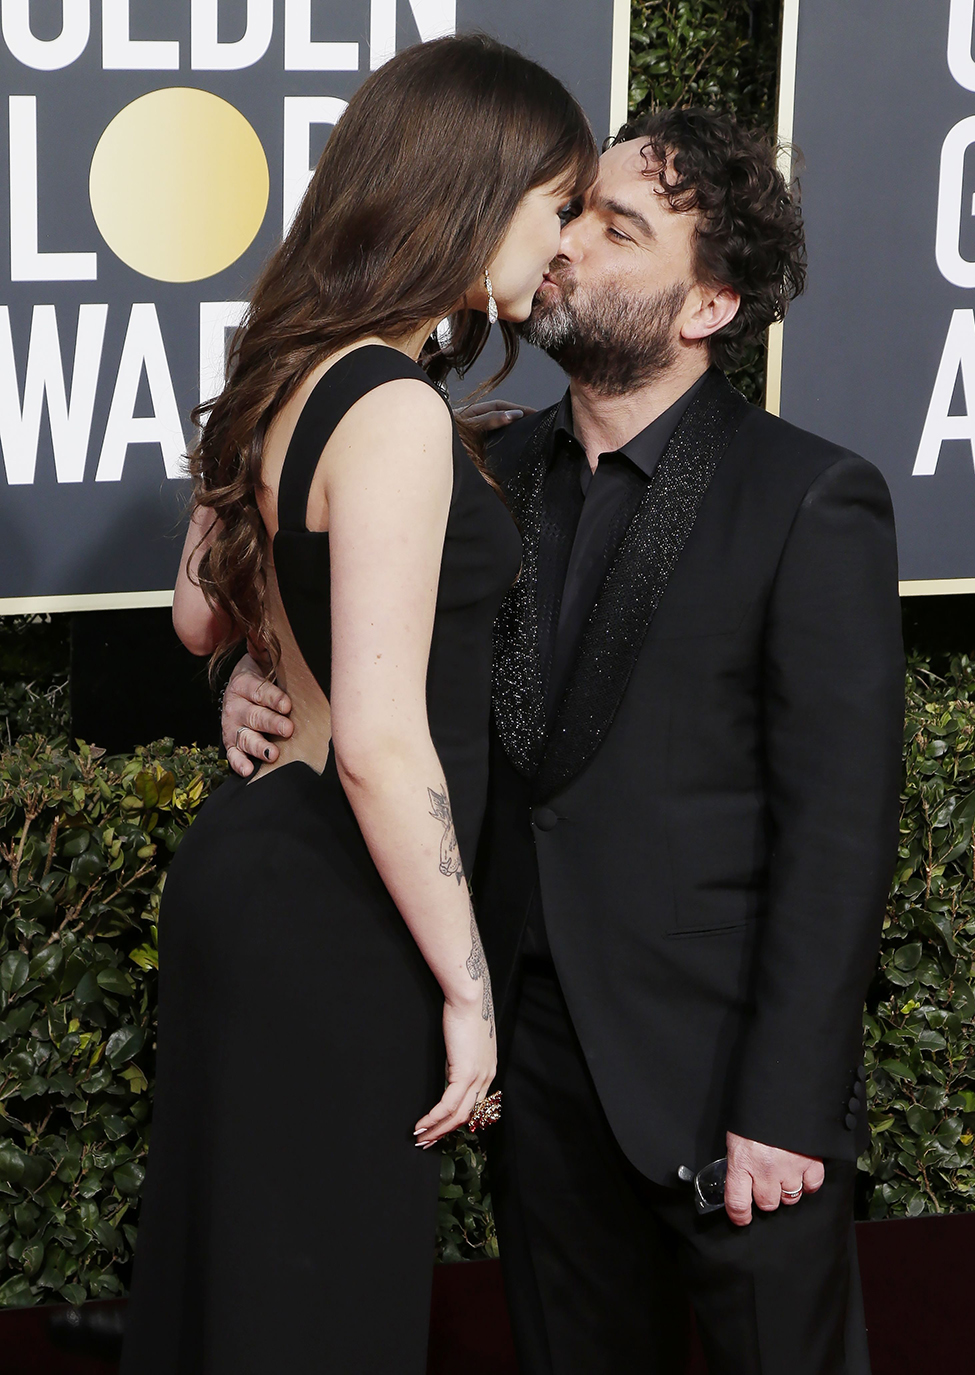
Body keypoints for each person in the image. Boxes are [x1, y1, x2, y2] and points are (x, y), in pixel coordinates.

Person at [223, 108, 904, 1374]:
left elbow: (841, 832)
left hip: (723, 1088)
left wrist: (787, 1102)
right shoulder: (477, 469)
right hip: (533, 1080)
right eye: (574, 209)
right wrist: (254, 678)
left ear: (706, 306)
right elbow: (358, 650)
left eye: (618, 228)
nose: (566, 245)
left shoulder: (807, 497)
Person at [119, 36, 597, 1375]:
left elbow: (199, 618)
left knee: (243, 1275)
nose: (557, 247)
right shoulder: (389, 408)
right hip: (340, 902)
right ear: (475, 187)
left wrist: (259, 673)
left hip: (254, 867)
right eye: (553, 205)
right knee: (319, 1301)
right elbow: (388, 745)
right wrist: (467, 983)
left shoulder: (293, 365)